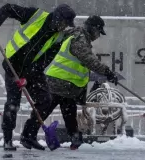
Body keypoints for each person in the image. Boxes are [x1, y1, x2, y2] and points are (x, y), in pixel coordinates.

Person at [20, 15, 119, 150]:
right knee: (45, 110)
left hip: (67, 85)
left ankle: (74, 138)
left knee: (68, 112)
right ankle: (28, 136)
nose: (98, 36)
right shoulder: (79, 38)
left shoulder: (76, 36)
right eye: (98, 32)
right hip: (58, 81)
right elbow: (89, 60)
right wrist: (108, 72)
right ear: (92, 29)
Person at [0, 3, 76, 151]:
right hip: (12, 64)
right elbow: (8, 8)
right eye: (64, 23)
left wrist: (27, 76)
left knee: (45, 100)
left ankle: (28, 135)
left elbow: (46, 59)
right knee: (13, 103)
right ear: (57, 18)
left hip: (33, 70)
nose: (64, 27)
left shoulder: (59, 37)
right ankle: (8, 139)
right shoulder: (36, 15)